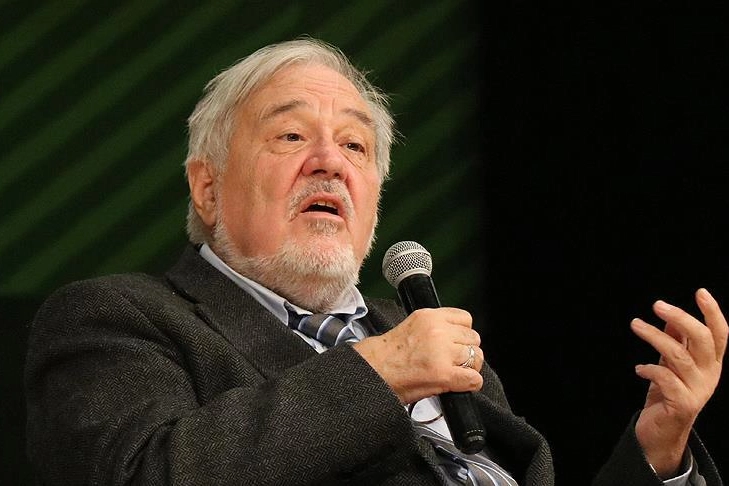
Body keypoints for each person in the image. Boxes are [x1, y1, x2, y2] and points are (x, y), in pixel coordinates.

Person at [24, 36, 726, 486]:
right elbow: (144, 474)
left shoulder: (424, 338)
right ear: (208, 188)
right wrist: (380, 373)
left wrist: (658, 452)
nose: (329, 162)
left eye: (356, 146)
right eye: (291, 135)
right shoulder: (116, 319)